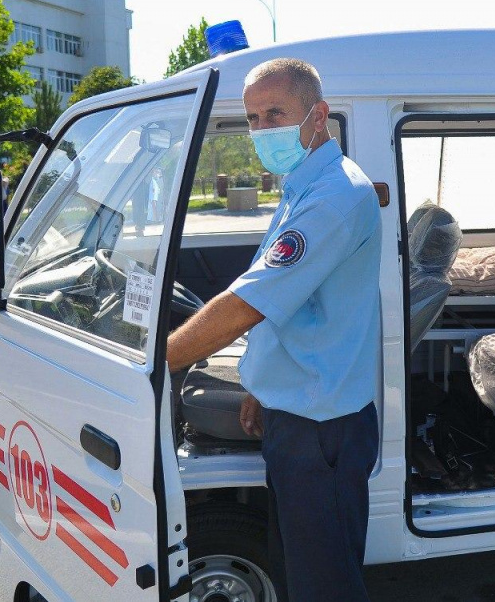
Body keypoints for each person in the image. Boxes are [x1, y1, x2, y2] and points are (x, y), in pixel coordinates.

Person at [167, 58, 381, 602]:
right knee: (297, 570)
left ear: (318, 116)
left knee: (324, 586)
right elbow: (289, 302)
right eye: (254, 118)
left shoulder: (332, 197)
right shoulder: (303, 185)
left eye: (276, 114)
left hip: (321, 429)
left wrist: (157, 357)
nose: (263, 130)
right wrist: (264, 391)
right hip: (300, 413)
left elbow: (251, 303)